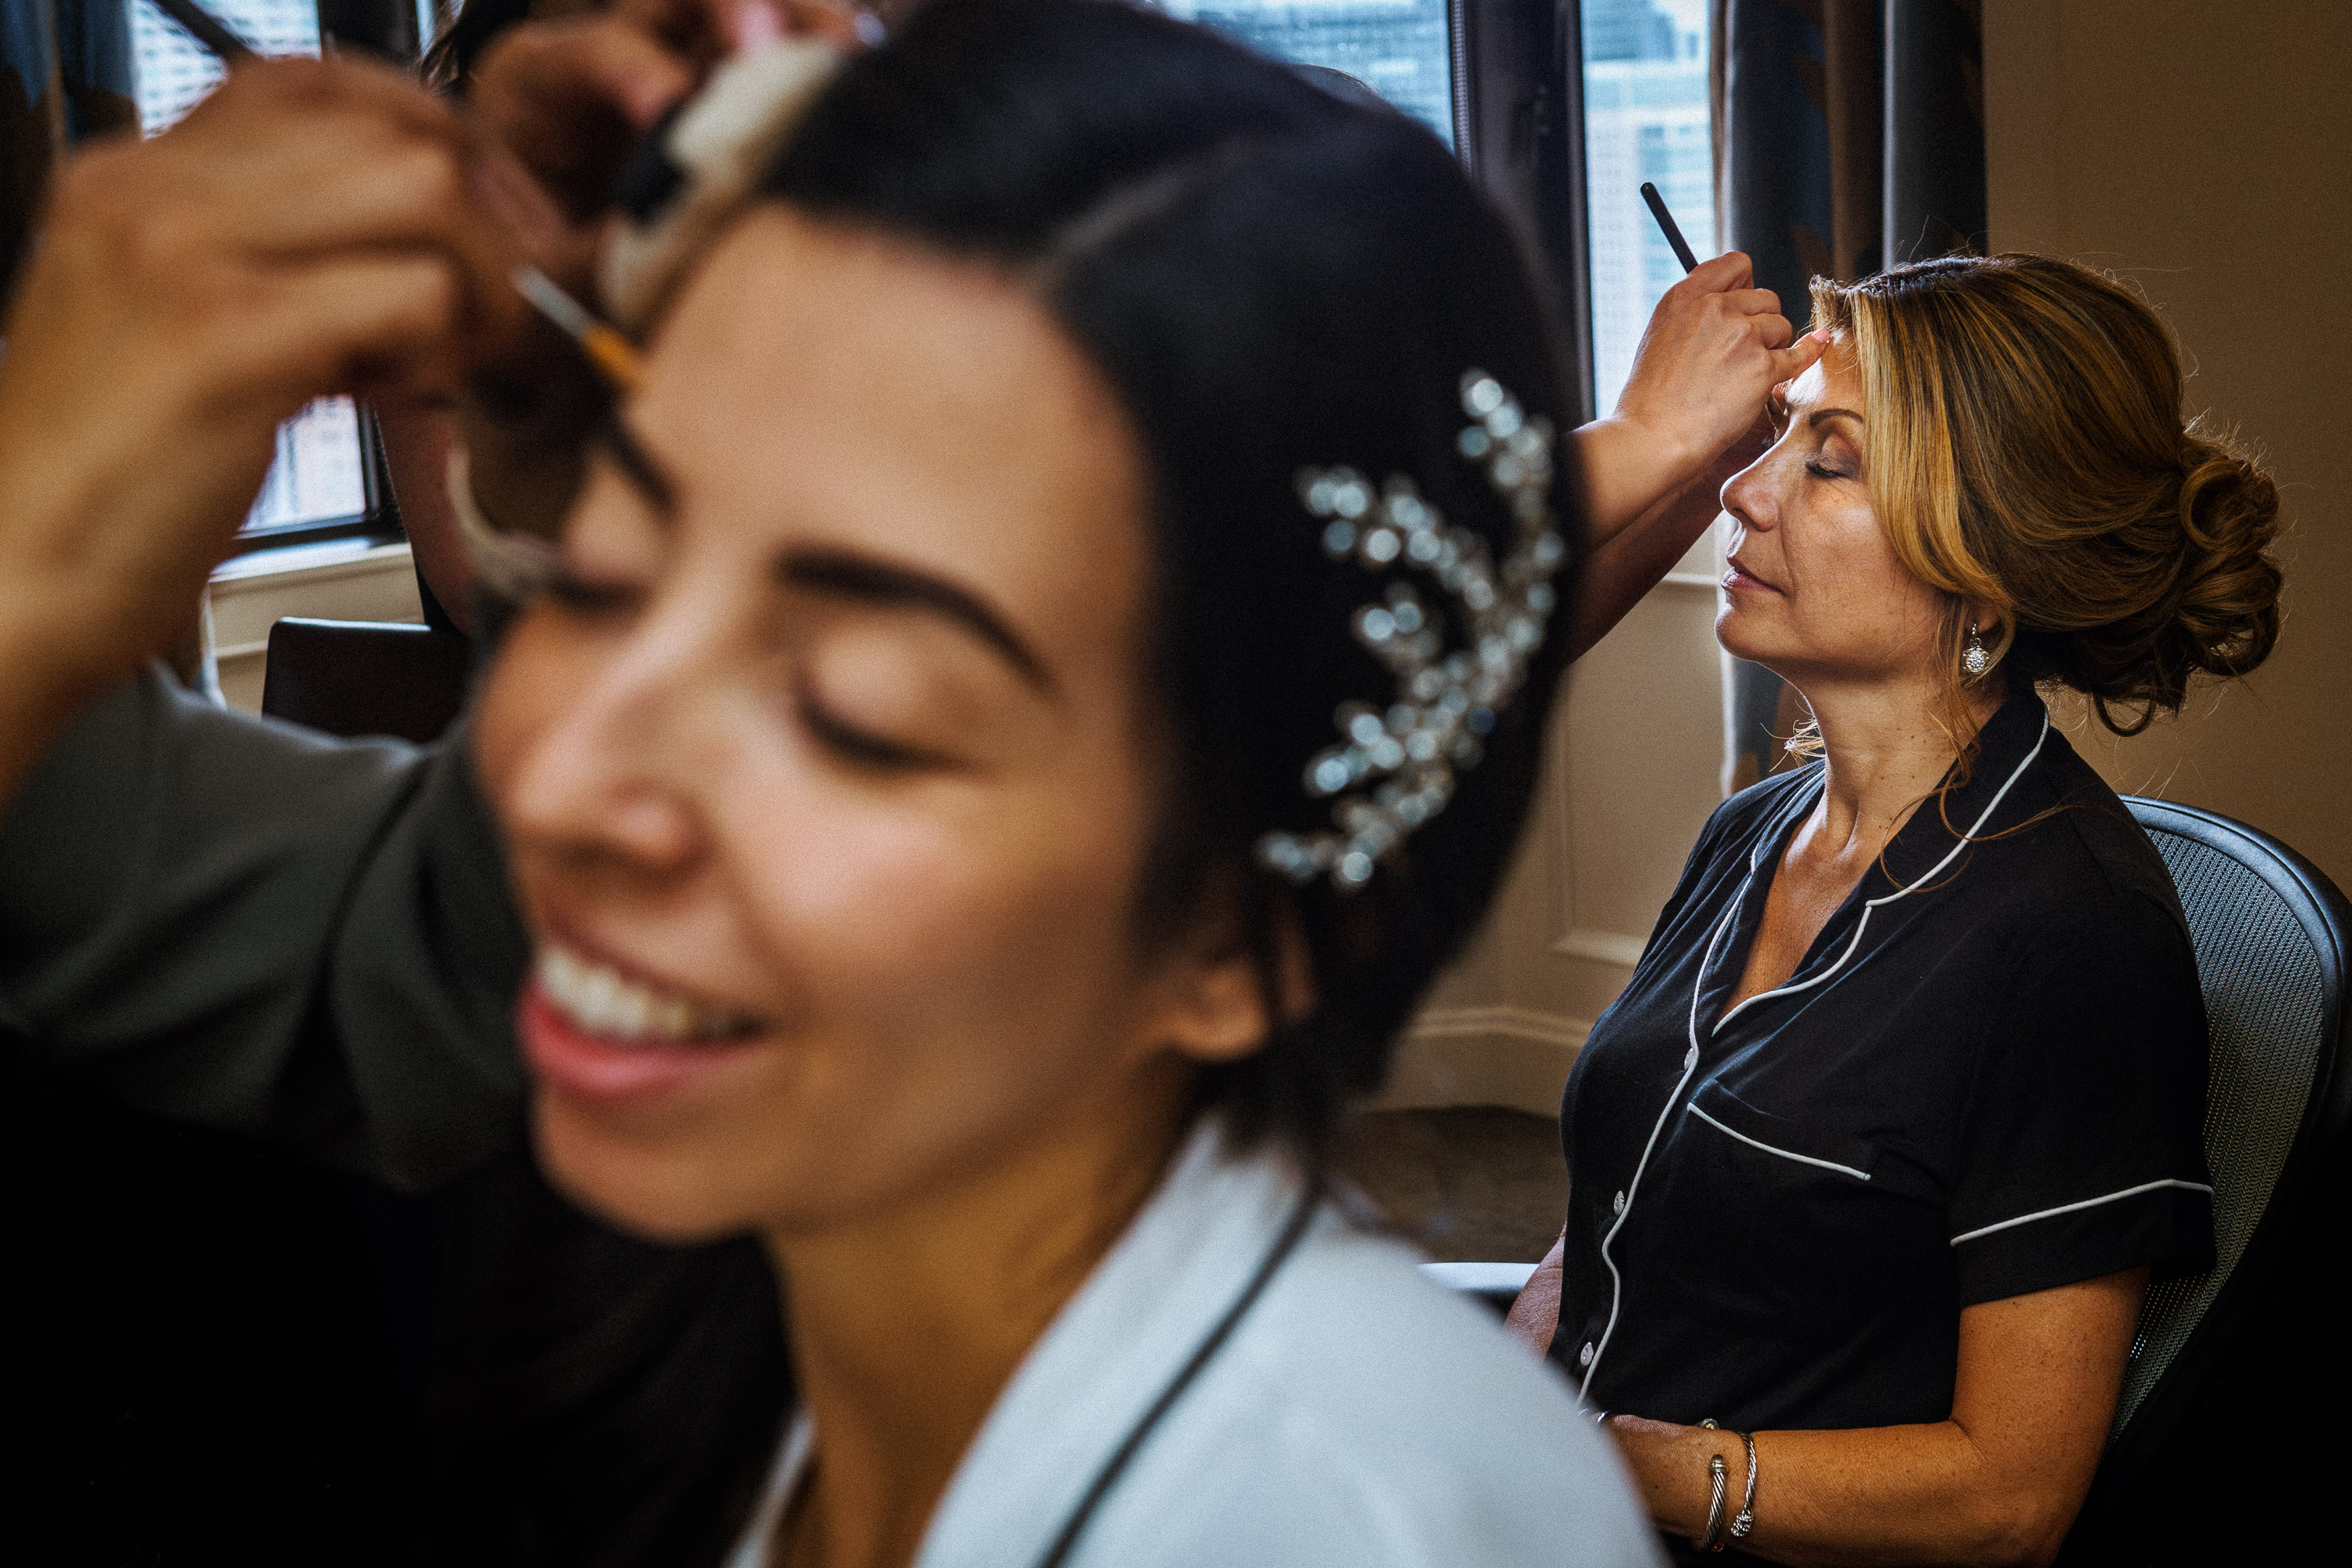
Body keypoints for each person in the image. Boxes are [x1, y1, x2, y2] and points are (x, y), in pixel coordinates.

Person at [0, 0, 1817, 1561]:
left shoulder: (1340, 1507)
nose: (553, 786)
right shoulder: (753, 1351)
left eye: (854, 709)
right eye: (609, 583)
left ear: (1236, 932)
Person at [1504, 252, 2282, 1566]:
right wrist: (1510, 1397)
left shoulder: (2075, 936)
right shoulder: (1757, 828)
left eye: (1829, 463)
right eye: (1777, 440)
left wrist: (1636, 1471)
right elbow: (1621, 1205)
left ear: (1985, 568)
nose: (1742, 493)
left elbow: (2008, 1497)